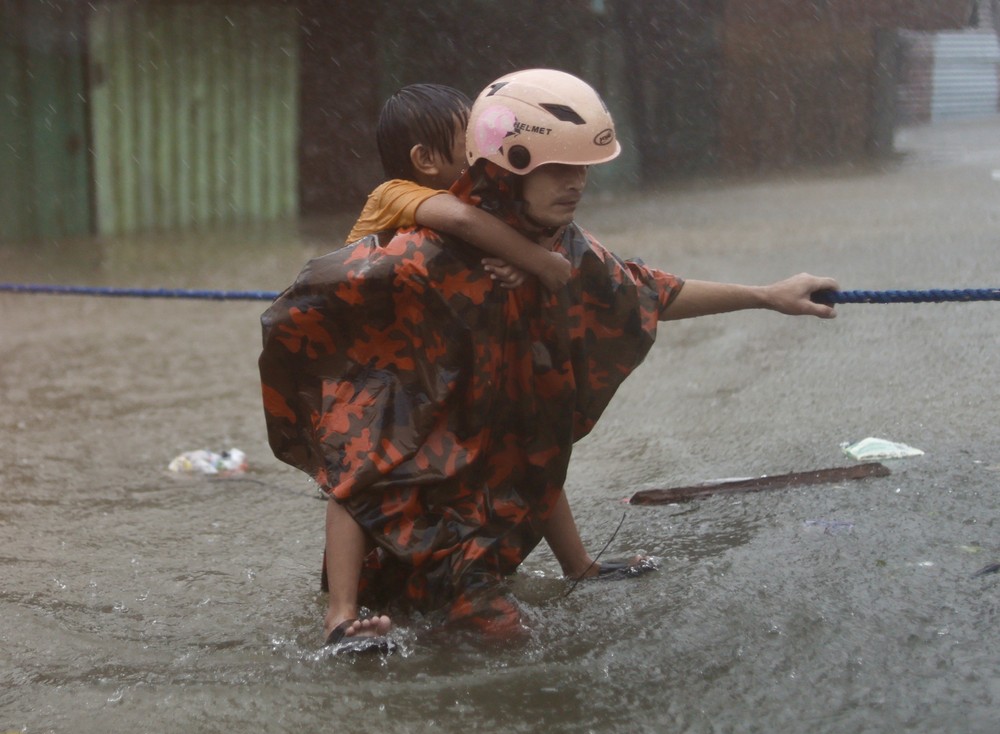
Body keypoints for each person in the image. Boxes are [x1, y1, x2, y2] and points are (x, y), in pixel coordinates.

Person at [259, 69, 838, 650]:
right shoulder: (416, 248)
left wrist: (767, 295)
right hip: (412, 480)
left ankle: (575, 567)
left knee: (536, 428)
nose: (577, 183)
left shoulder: (558, 244)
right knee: (368, 478)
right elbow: (313, 307)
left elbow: (644, 292)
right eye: (557, 168)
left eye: (583, 166)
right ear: (507, 164)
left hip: (490, 477)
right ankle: (344, 619)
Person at [346, 82, 571, 293]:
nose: (485, 148)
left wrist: (525, 259)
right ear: (425, 158)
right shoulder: (392, 194)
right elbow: (462, 220)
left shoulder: (471, 192)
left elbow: (548, 219)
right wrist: (542, 263)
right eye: (471, 141)